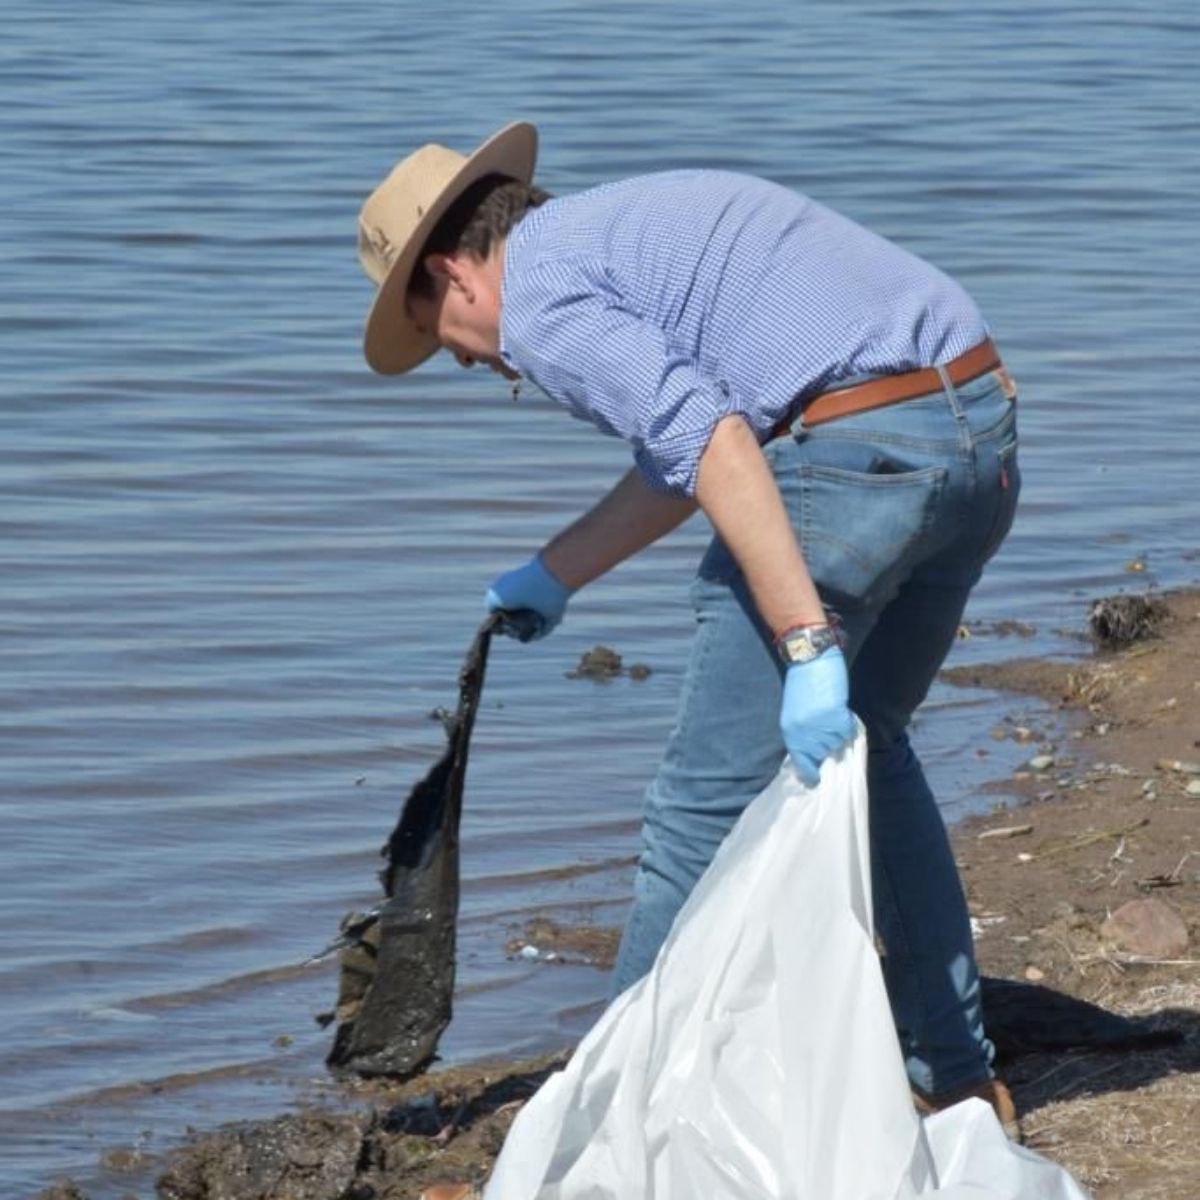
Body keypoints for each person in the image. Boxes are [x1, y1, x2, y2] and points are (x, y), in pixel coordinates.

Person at [357, 122, 1022, 1193]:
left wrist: (806, 640)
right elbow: (693, 451)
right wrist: (557, 571)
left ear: (452, 273)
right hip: (978, 431)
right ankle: (956, 1082)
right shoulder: (609, 234)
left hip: (856, 458)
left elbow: (715, 443)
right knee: (877, 749)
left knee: (695, 808)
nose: (468, 363)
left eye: (440, 336)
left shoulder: (541, 300)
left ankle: (604, 1128)